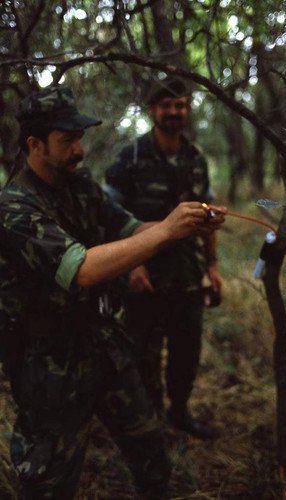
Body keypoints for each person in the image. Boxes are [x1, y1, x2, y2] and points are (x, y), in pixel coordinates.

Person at [0, 86, 225, 500]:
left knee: (149, 447)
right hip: (48, 361)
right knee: (49, 479)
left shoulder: (78, 184)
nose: (80, 149)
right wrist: (167, 230)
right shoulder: (14, 207)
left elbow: (127, 226)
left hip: (103, 340)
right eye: (68, 140)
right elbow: (81, 269)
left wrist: (183, 225)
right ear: (34, 144)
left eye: (79, 138)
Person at [106, 77, 223, 440]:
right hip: (146, 279)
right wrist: (133, 266)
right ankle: (150, 425)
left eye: (181, 105)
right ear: (153, 109)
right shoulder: (131, 158)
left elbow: (207, 216)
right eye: (167, 105)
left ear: (188, 109)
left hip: (188, 277)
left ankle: (180, 414)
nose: (175, 112)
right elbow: (109, 217)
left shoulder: (196, 158)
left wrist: (213, 266)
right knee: (144, 357)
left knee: (186, 355)